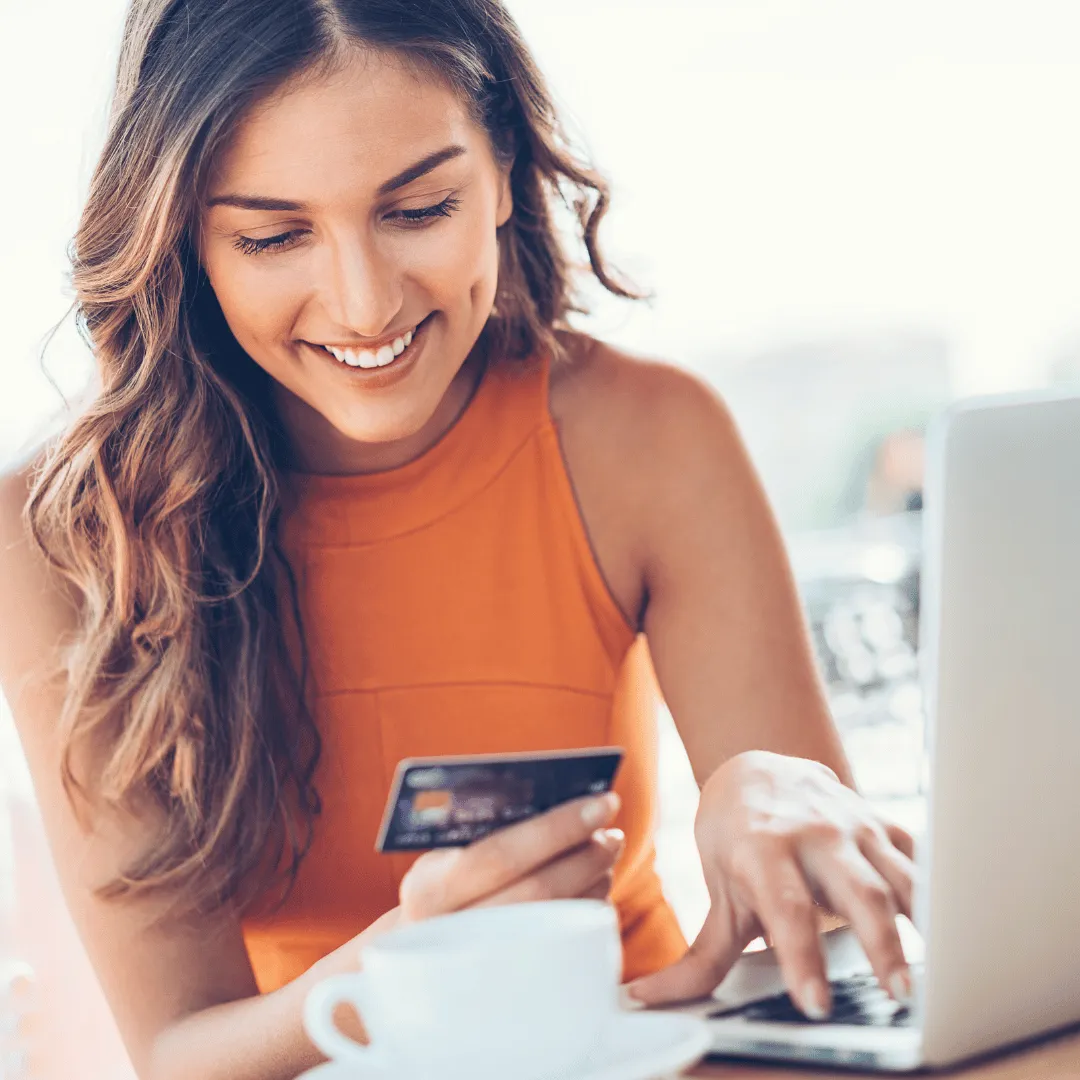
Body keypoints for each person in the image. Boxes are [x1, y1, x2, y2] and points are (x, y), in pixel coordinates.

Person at [0, 2, 916, 1078]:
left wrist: (768, 789)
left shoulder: (649, 437)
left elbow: (828, 932)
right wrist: (407, 966)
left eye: (420, 209)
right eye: (272, 236)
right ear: (185, 241)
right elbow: (177, 1050)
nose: (363, 304)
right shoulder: (65, 534)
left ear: (504, 171)